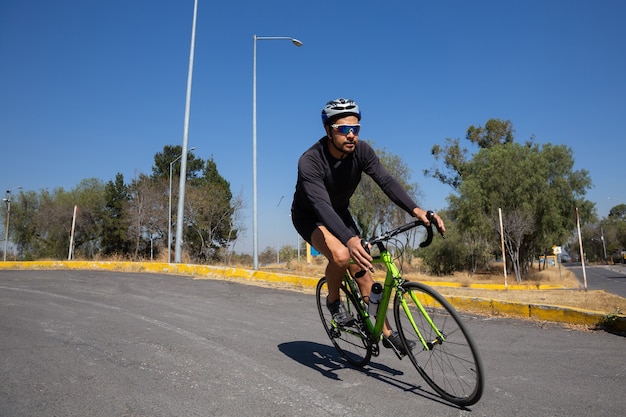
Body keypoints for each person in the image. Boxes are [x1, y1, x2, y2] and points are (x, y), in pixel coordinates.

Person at [291, 98, 446, 355]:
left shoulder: (362, 152)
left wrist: (417, 211)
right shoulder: (310, 161)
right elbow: (321, 207)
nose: (351, 135)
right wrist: (350, 240)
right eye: (343, 129)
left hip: (338, 214)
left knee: (363, 270)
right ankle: (333, 303)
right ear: (328, 131)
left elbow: (386, 181)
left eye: (356, 128)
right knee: (342, 255)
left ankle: (386, 333)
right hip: (310, 216)